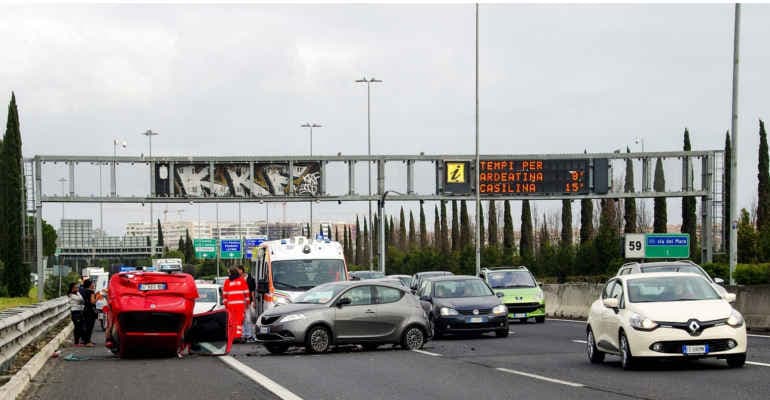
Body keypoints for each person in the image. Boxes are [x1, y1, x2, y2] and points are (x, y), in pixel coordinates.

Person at [222, 266, 249, 349]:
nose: (228, 274)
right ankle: (237, 336)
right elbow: (246, 293)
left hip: (230, 305)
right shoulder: (242, 281)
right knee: (239, 321)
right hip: (240, 305)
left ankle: (232, 336)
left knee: (231, 321)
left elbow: (225, 295)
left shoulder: (227, 282)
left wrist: (226, 305)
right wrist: (247, 304)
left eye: (229, 272)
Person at [237, 265, 257, 342]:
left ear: (241, 270)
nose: (237, 272)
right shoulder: (238, 279)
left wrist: (254, 301)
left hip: (249, 301)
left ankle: (250, 335)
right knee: (243, 319)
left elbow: (252, 291)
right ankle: (244, 335)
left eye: (238, 270)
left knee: (249, 319)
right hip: (241, 302)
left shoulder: (250, 278)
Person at [79, 278, 102, 347]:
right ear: (90, 285)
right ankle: (87, 342)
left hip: (84, 309)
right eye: (92, 283)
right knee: (89, 326)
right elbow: (93, 302)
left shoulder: (83, 291)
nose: (93, 285)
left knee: (85, 325)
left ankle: (84, 340)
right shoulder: (91, 291)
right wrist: (98, 297)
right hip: (90, 310)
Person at [68, 282, 85, 346]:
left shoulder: (77, 293)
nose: (77, 288)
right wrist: (80, 298)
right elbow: (80, 299)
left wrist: (78, 292)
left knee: (80, 327)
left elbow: (82, 299)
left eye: (78, 287)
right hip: (75, 312)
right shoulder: (71, 295)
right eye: (76, 287)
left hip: (80, 311)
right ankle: (76, 342)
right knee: (77, 327)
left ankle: (79, 341)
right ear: (72, 288)